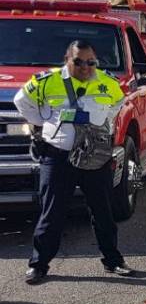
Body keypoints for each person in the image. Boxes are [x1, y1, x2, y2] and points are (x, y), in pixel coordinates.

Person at [14, 41, 134, 283]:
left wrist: (101, 125)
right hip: (58, 156)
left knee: (103, 211)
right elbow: (21, 101)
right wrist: (44, 121)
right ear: (67, 60)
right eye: (78, 62)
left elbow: (118, 104)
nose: (85, 67)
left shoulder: (108, 82)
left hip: (94, 157)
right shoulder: (47, 81)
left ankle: (113, 260)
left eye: (91, 62)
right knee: (52, 212)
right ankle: (39, 264)